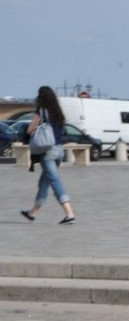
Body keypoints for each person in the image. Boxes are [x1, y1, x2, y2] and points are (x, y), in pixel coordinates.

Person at [19, 86, 76, 225]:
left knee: (55, 182)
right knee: (44, 182)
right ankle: (32, 213)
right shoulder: (58, 112)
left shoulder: (41, 111)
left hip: (48, 153)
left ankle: (69, 214)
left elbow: (30, 129)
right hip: (59, 151)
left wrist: (30, 130)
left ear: (41, 97)